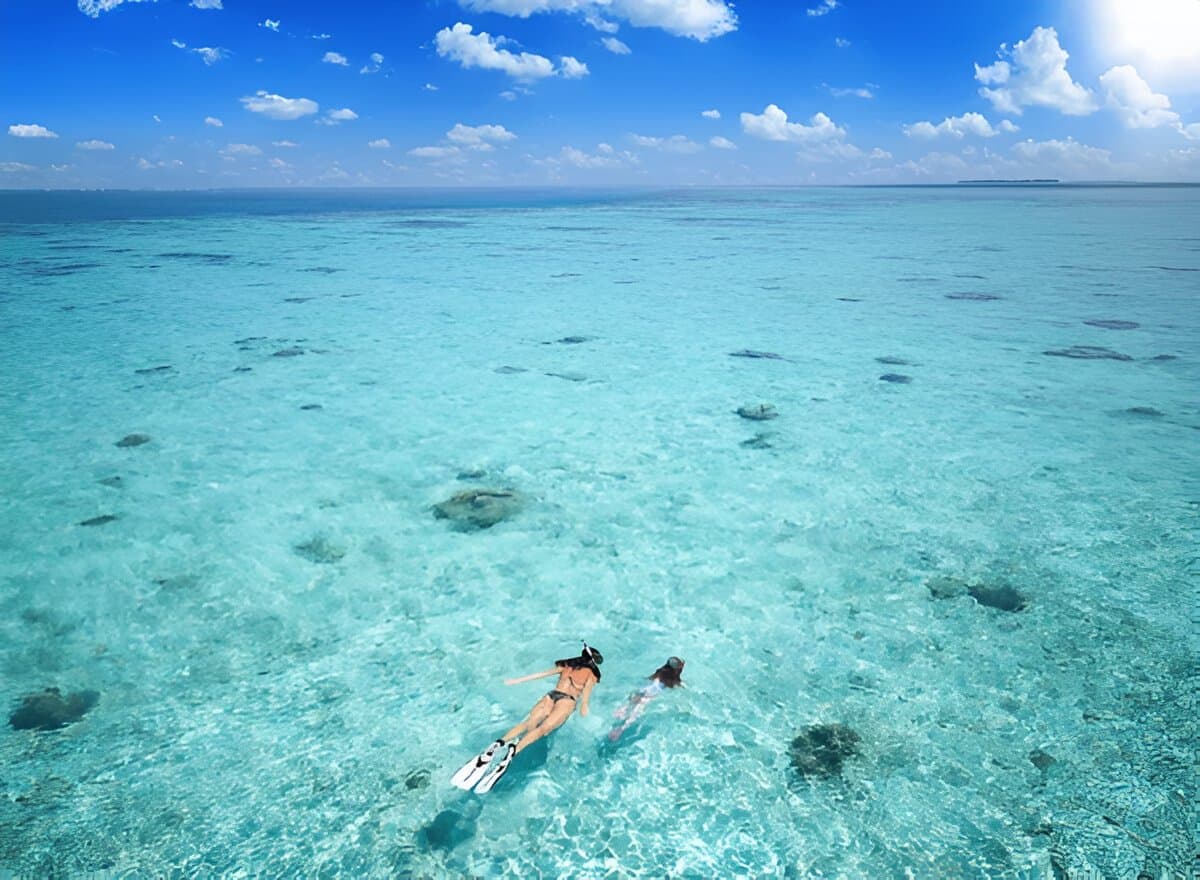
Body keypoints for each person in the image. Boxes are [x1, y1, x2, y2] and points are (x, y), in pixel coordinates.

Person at [452, 642, 603, 794]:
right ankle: (514, 751)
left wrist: (516, 681)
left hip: (551, 695)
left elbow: (540, 675)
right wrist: (584, 707)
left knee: (527, 724)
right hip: (567, 701)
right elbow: (586, 694)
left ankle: (499, 744)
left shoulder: (567, 666)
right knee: (543, 729)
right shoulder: (592, 674)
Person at [607, 656, 685, 742]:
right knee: (635, 713)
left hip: (642, 691)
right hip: (649, 696)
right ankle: (621, 729)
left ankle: (623, 710)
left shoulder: (659, 673)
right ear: (678, 671)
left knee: (629, 706)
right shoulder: (673, 681)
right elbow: (678, 686)